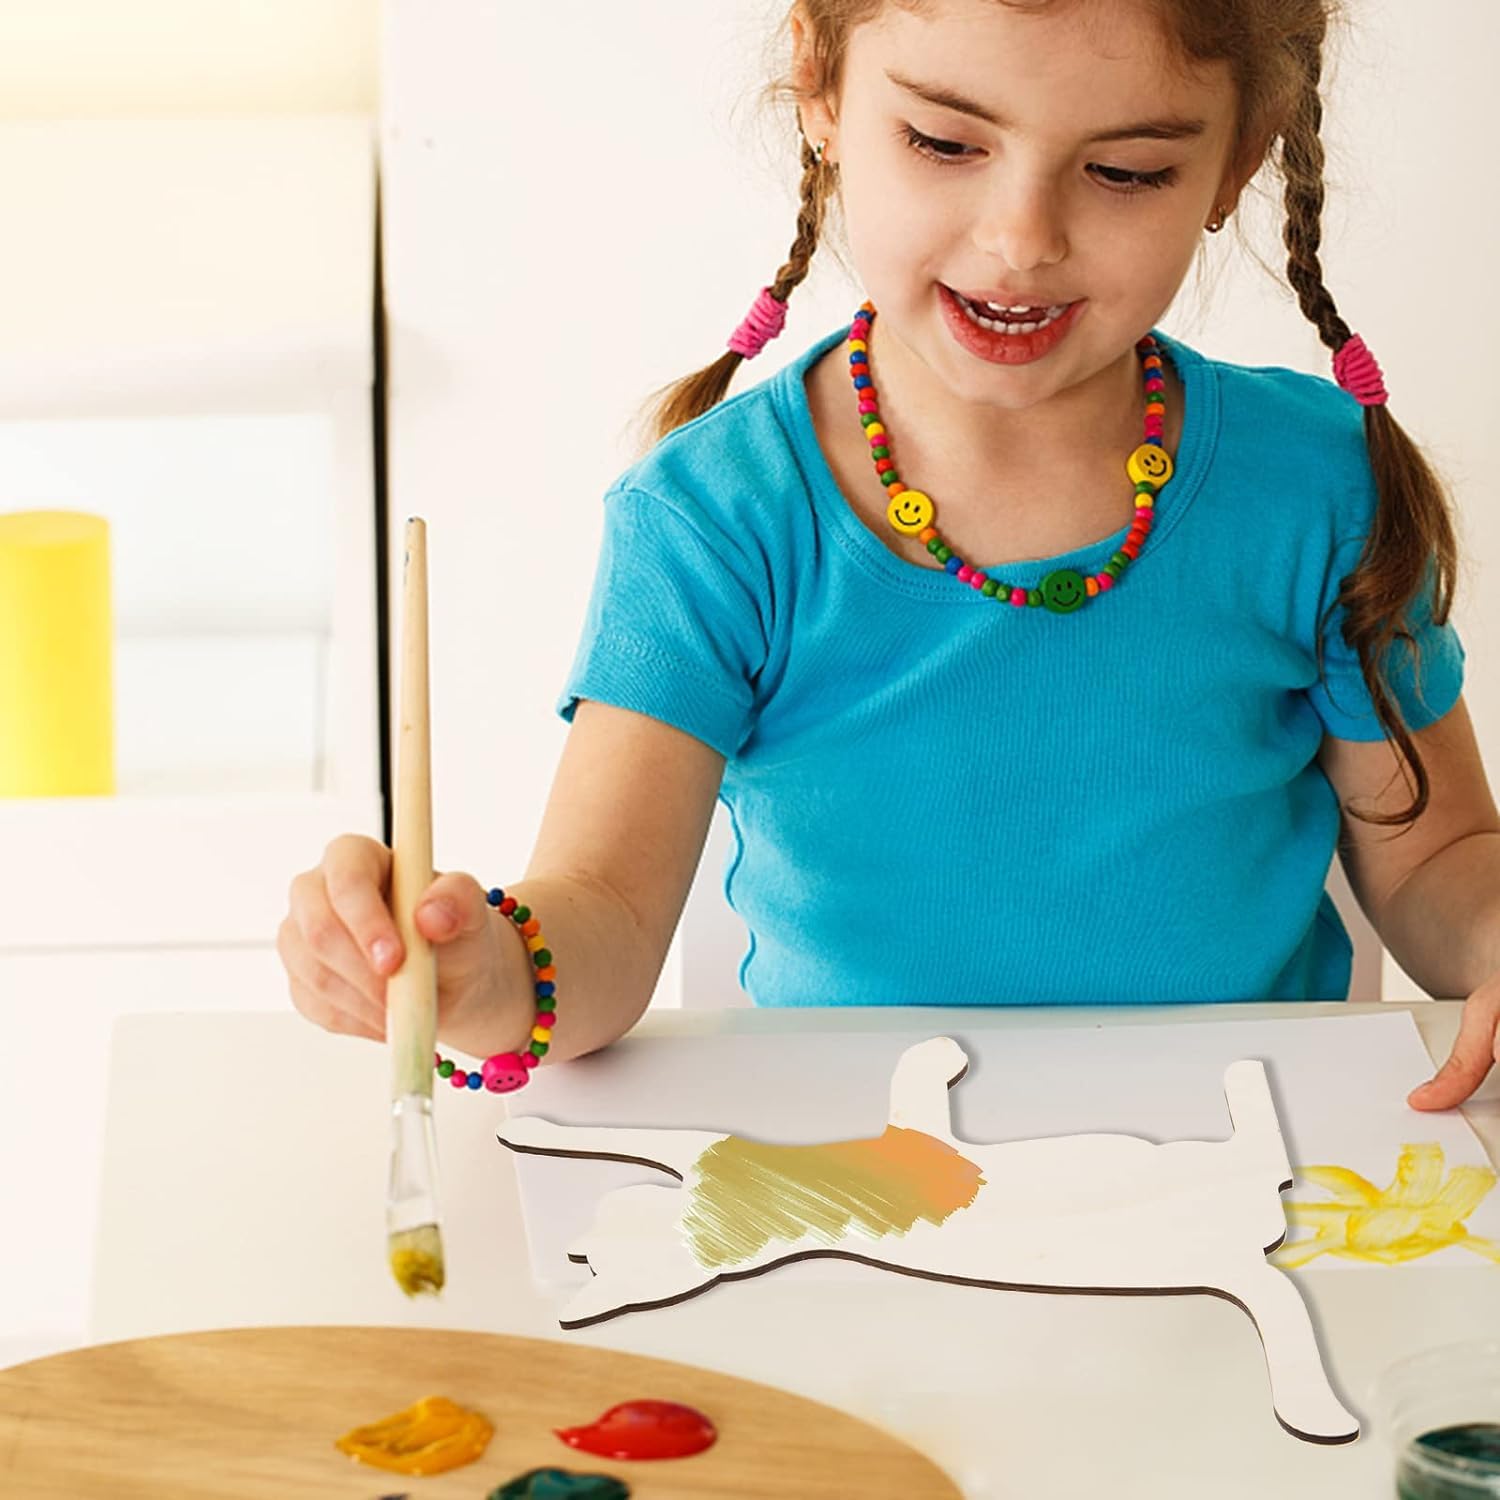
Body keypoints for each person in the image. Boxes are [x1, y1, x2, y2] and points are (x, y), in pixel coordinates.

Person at [279, 0, 1500, 1109]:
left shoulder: (1322, 486)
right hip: (862, 1181)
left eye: (1126, 170)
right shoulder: (717, 519)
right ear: (820, 86)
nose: (1022, 239)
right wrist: (485, 971)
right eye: (945, 144)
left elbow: (1439, 857)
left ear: (1242, 153)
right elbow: (600, 917)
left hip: (1250, 1163)